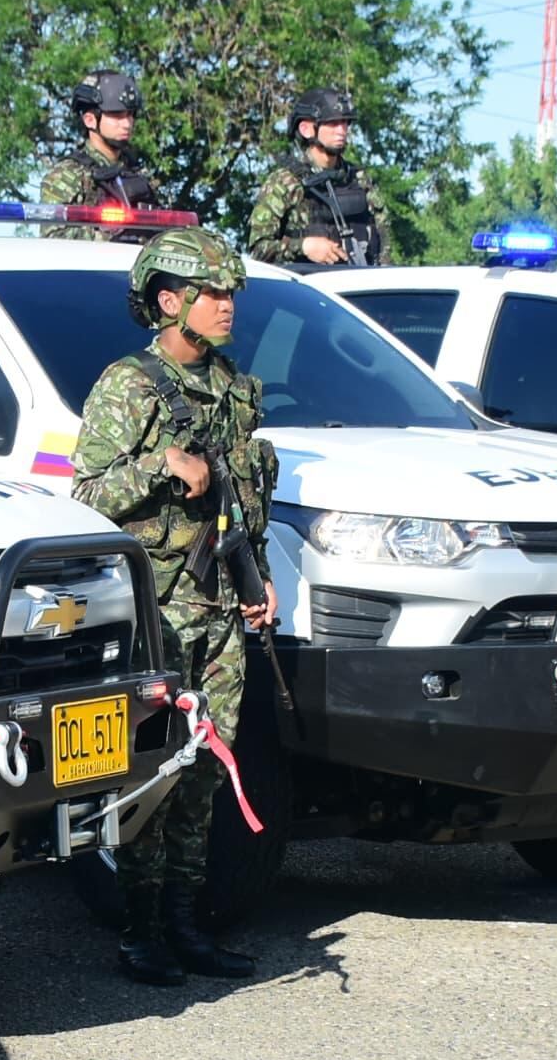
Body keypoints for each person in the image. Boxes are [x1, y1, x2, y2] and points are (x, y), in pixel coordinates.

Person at [68, 230, 277, 985]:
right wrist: (162, 464)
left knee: (206, 771)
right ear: (169, 300)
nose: (227, 307)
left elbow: (242, 498)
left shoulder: (232, 386)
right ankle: (139, 929)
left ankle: (188, 924)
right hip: (155, 609)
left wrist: (259, 578)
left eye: (230, 295)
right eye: (213, 294)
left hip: (221, 604)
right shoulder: (130, 385)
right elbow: (86, 494)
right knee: (152, 772)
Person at [247, 87, 381, 267]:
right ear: (306, 129)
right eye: (332, 123)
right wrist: (303, 247)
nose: (341, 130)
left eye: (345, 123)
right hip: (305, 290)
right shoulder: (284, 183)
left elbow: (384, 242)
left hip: (359, 288)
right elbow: (258, 251)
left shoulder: (359, 180)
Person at [36, 69, 157, 239]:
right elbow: (53, 237)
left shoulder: (138, 173)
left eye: (130, 115)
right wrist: (113, 235)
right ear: (90, 120)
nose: (127, 124)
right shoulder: (67, 175)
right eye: (117, 115)